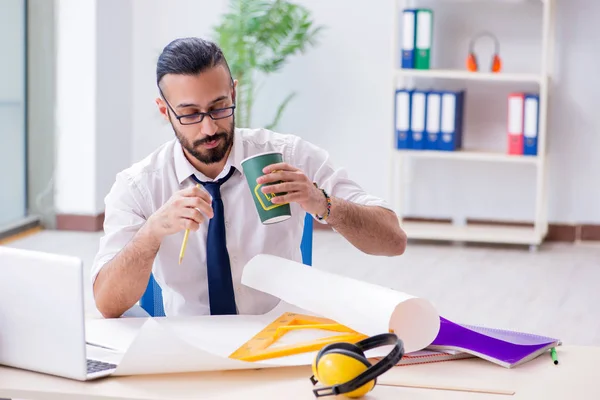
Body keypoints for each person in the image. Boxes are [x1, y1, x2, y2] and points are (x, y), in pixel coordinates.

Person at [91, 37, 407, 319]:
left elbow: (393, 242)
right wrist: (152, 232)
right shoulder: (140, 184)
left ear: (233, 93)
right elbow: (107, 304)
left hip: (281, 336)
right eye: (189, 114)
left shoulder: (288, 155)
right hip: (190, 348)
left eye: (219, 108)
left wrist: (321, 202)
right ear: (164, 111)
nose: (209, 128)